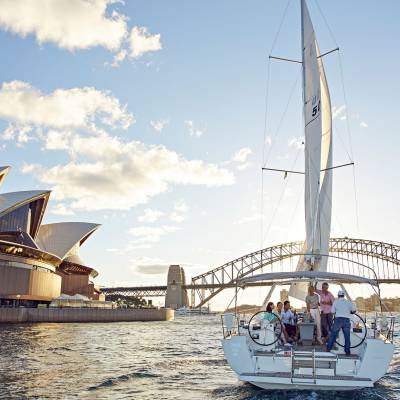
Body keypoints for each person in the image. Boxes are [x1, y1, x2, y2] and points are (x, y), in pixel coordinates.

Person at [326, 290, 356, 355]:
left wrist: (338, 312)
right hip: (346, 320)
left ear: (338, 296)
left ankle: (328, 348)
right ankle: (347, 351)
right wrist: (349, 312)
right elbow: (354, 311)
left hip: (338, 320)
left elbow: (332, 311)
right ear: (344, 295)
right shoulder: (349, 302)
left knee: (333, 335)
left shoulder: (336, 302)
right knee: (347, 337)